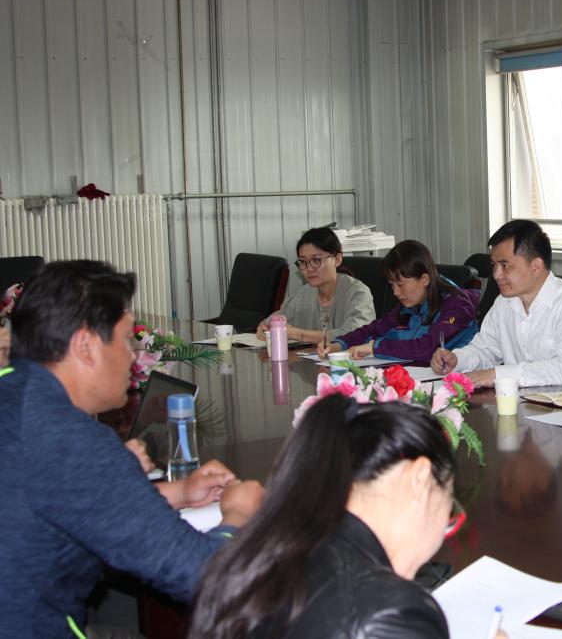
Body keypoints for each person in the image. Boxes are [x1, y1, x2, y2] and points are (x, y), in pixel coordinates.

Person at [0, 260, 263, 637]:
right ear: (86, 346)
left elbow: (57, 499)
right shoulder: (69, 440)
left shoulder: (13, 391)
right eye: (126, 339)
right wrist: (238, 516)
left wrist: (174, 493)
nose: (134, 355)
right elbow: (206, 579)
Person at [190, 397, 467, 638]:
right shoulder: (391, 614)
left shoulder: (266, 551)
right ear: (419, 478)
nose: (443, 526)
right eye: (449, 511)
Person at [431, 220, 562, 388]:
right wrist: (457, 359)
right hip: (518, 400)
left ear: (536, 266)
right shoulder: (504, 302)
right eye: (494, 265)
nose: (496, 275)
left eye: (505, 265)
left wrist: (499, 375)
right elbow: (485, 350)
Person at [317, 239, 479, 363]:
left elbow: (427, 348)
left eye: (400, 284)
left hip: (457, 384)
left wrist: (375, 348)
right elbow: (373, 329)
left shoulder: (458, 306)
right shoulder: (409, 305)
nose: (395, 292)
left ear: (424, 279)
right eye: (392, 284)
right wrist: (339, 344)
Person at [257, 226, 375, 345]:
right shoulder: (303, 294)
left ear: (337, 259)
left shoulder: (358, 294)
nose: (309, 268)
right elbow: (276, 320)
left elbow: (356, 335)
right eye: (303, 262)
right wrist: (265, 326)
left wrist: (298, 334)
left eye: (316, 260)